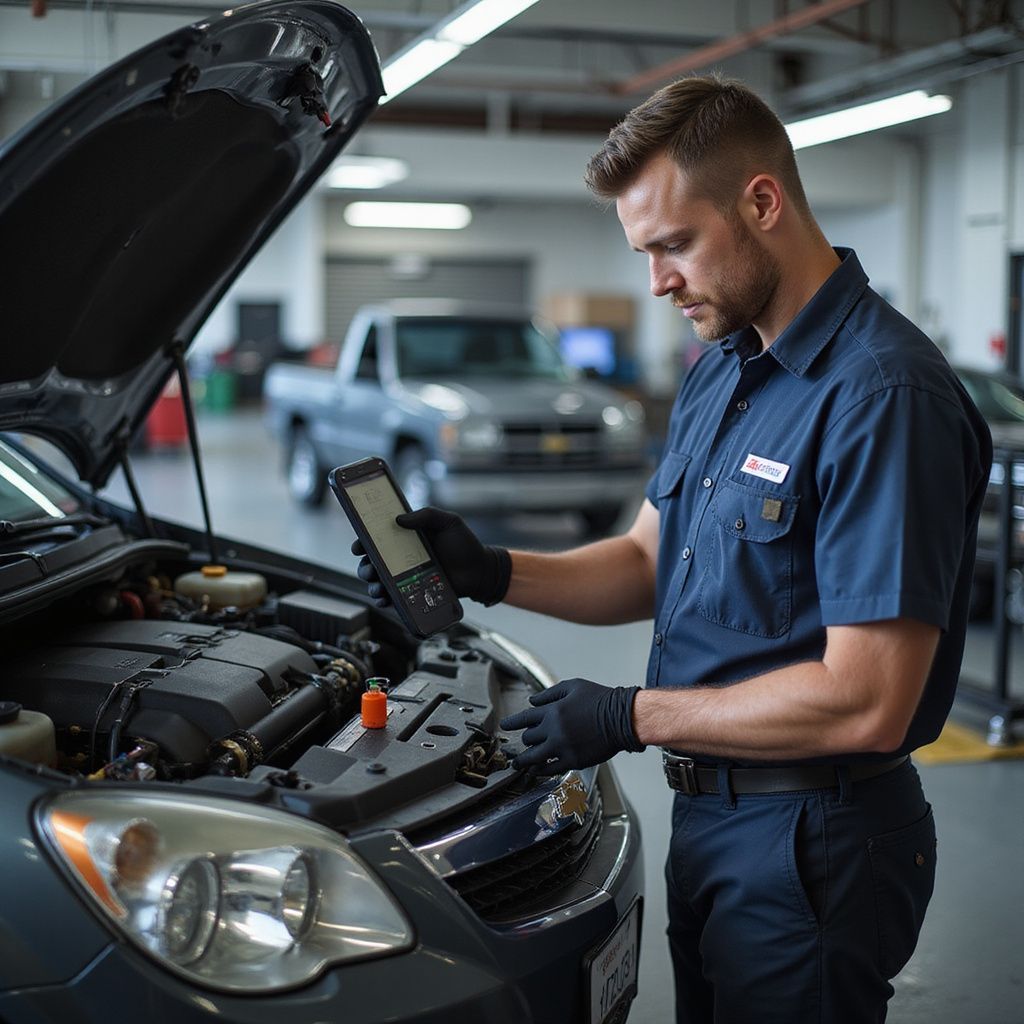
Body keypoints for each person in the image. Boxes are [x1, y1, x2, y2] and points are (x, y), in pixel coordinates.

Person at [354, 75, 992, 1024]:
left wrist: (629, 715)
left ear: (761, 201)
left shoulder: (881, 397)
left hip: (813, 838)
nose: (656, 282)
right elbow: (650, 562)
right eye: (643, 251)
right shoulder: (723, 371)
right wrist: (489, 571)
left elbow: (867, 700)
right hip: (709, 817)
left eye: (673, 244)